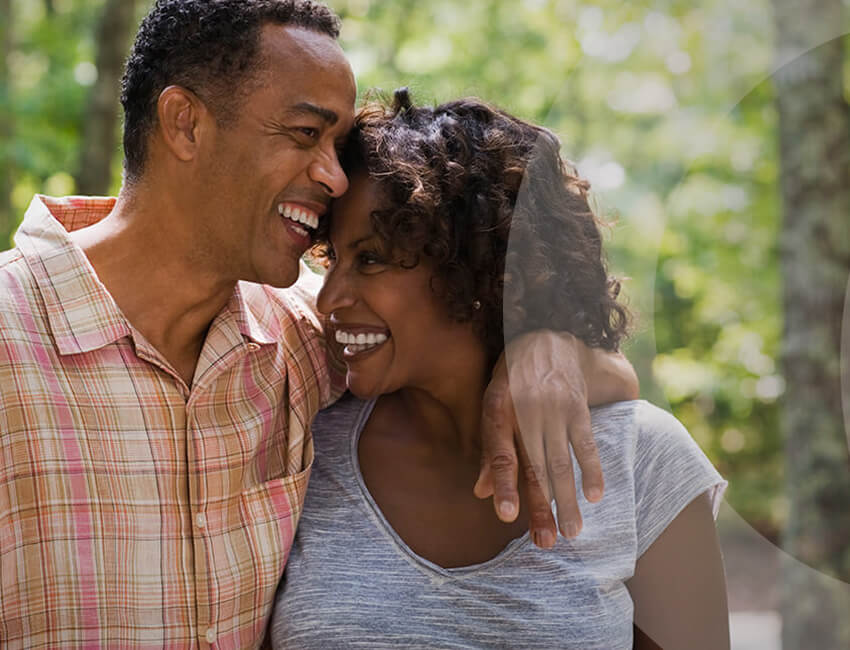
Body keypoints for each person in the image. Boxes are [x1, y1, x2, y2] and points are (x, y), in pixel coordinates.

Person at [0, 1, 640, 648]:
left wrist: (545, 347)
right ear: (185, 124)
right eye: (307, 135)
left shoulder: (305, 339)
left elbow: (457, 333)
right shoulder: (9, 337)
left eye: (337, 146)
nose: (335, 178)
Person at [270, 90, 730, 650]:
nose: (330, 298)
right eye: (333, 260)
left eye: (370, 259)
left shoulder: (645, 459)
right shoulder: (304, 444)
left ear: (479, 271)